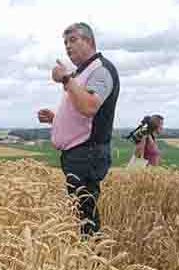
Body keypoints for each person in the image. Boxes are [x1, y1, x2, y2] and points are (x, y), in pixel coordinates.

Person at [37, 23, 119, 237]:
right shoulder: (82, 73)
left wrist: (65, 79)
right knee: (79, 214)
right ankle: (88, 259)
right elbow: (79, 115)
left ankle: (92, 262)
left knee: (84, 215)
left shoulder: (100, 70)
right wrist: (56, 120)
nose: (68, 46)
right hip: (79, 154)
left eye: (73, 40)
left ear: (90, 41)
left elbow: (89, 106)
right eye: (65, 42)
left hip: (87, 154)